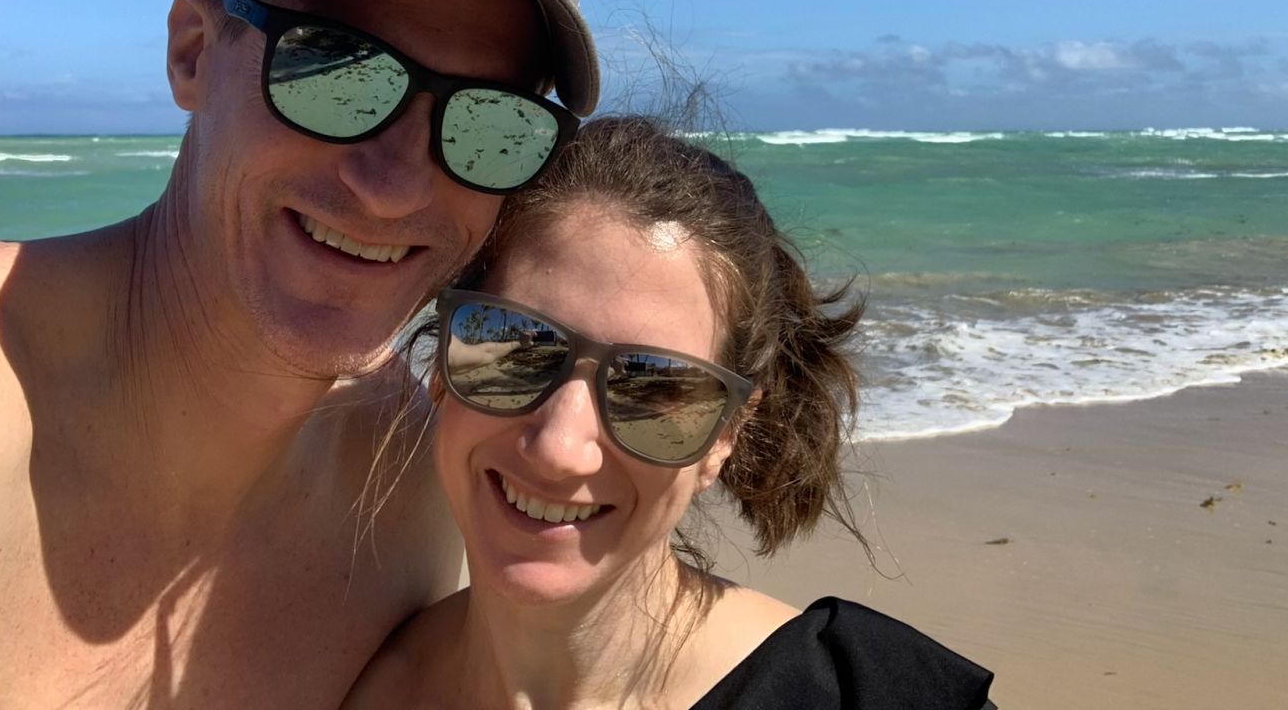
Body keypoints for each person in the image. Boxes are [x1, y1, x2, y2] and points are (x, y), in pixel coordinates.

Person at [0, 0, 599, 708]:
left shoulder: (406, 478)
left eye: (492, 122)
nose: (394, 187)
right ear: (192, 52)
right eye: (335, 68)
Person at [345, 116, 995, 709]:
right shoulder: (349, 688)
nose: (559, 447)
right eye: (516, 344)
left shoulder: (869, 698)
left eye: (653, 389)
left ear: (724, 437)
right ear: (440, 365)